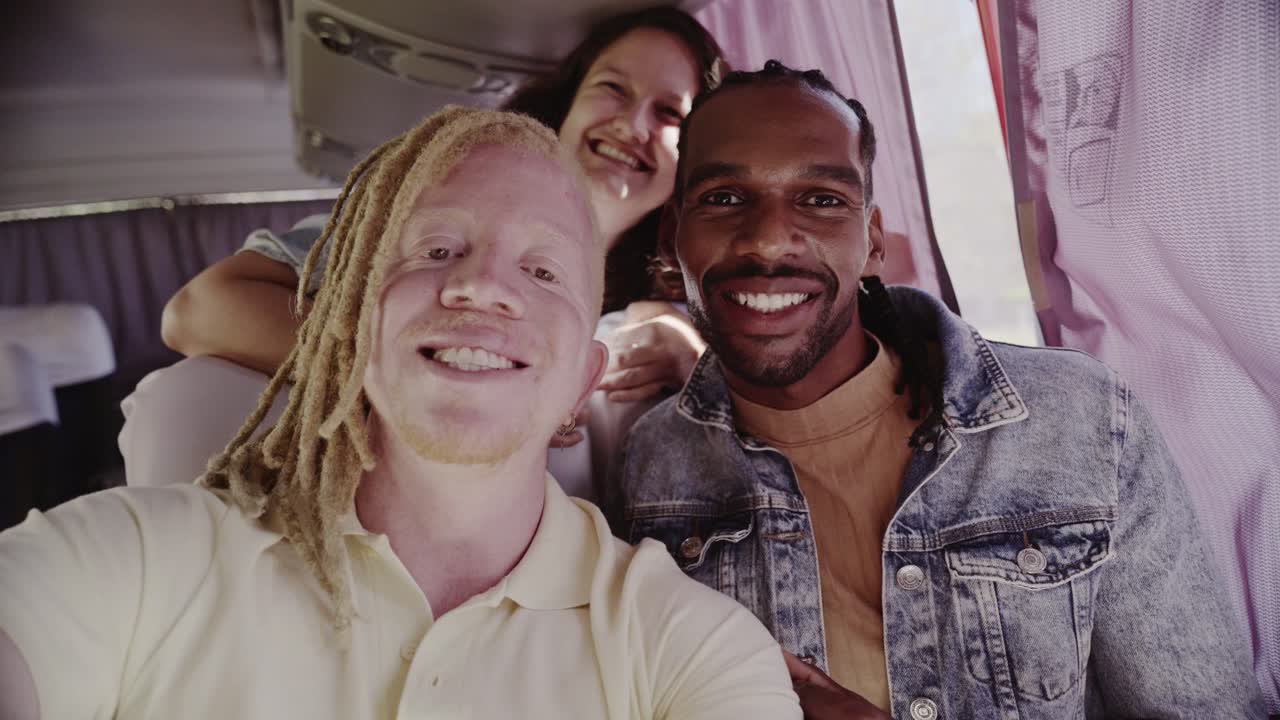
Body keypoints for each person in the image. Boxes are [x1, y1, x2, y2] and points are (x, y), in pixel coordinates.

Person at [0, 107, 800, 719]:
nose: (482, 286)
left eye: (544, 270)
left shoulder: (692, 651)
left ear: (582, 383)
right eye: (437, 249)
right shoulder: (137, 561)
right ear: (348, 322)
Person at [604, 61, 1267, 718]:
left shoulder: (1082, 421)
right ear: (672, 237)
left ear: (870, 243)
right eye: (724, 197)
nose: (770, 238)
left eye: (821, 199)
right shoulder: (651, 466)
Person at [150, 7, 723, 496]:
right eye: (612, 89)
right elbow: (197, 311)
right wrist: (402, 377)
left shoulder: (678, 310)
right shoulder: (408, 210)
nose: (631, 123)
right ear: (565, 105)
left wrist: (691, 358)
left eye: (669, 113)